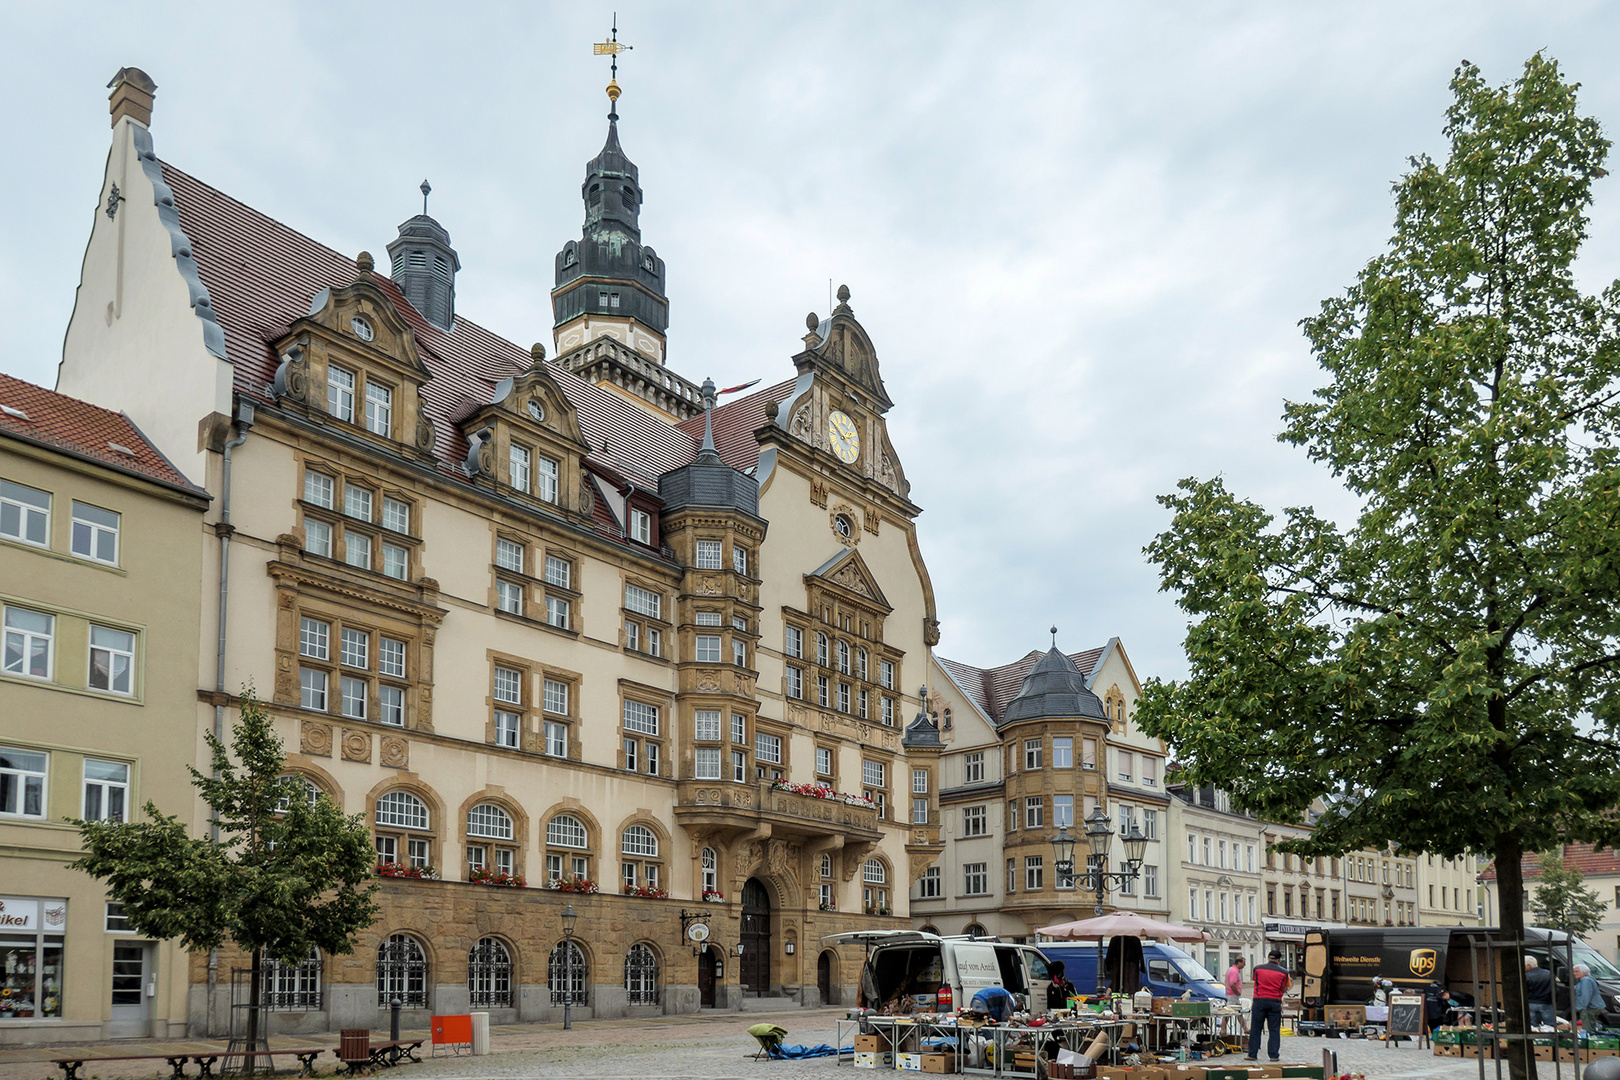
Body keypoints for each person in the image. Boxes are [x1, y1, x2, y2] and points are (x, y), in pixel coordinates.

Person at [1246, 949, 1291, 1062]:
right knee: (1274, 1030)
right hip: (1274, 1001)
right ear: (1279, 960)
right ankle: (1273, 1055)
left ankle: (1252, 1054)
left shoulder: (1257, 969)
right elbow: (1285, 987)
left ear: (1268, 958)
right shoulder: (1284, 972)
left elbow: (1256, 982)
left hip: (1259, 1000)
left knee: (1256, 1029)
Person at [1525, 956, 1555, 1027]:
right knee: (1550, 1026)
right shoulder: (1548, 973)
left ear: (1529, 966)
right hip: (1546, 1003)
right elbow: (1555, 990)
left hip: (1531, 1003)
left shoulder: (1526, 976)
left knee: (1533, 1026)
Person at [1573, 964, 1603, 1030]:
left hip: (1589, 1008)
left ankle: (1588, 1040)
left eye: (1576, 971)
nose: (1574, 973)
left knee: (1587, 1028)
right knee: (1591, 1026)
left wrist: (1582, 1007)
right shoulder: (1589, 979)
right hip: (1593, 1007)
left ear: (1583, 972)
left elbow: (1585, 995)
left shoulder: (1585, 980)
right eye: (1574, 971)